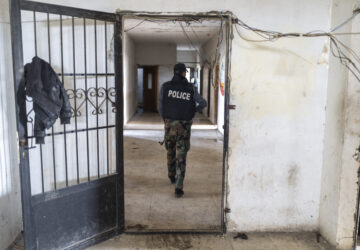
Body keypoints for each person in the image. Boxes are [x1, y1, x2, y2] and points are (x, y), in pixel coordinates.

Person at [159, 63, 207, 198]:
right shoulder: (190, 88)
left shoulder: (165, 87)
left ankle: (171, 176)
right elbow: (203, 103)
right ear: (184, 73)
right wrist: (193, 111)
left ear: (174, 72)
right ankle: (178, 188)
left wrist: (166, 121)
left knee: (170, 151)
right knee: (181, 156)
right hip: (184, 128)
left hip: (169, 125)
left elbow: (161, 107)